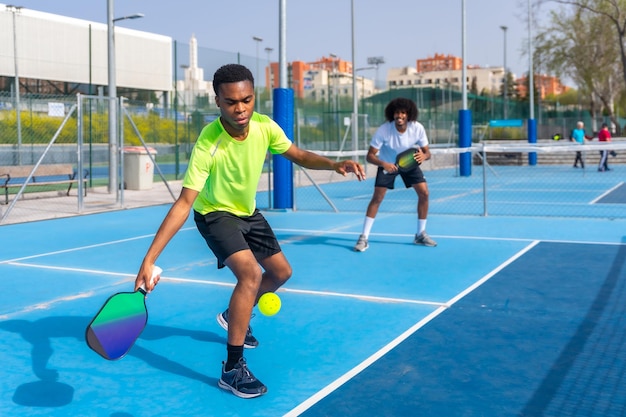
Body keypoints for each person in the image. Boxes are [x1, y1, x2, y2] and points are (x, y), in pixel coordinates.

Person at [133, 64, 365, 398]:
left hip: (248, 212)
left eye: (246, 99)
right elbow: (184, 203)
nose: (240, 108)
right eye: (231, 102)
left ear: (254, 96)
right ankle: (231, 369)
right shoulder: (209, 143)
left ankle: (234, 314)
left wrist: (333, 163)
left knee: (282, 272)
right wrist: (149, 259)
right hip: (215, 215)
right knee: (250, 275)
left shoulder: (263, 126)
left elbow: (296, 154)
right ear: (217, 101)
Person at [354, 97, 436, 252]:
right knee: (377, 198)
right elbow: (370, 156)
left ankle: (420, 234)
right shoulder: (384, 130)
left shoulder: (417, 128)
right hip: (388, 163)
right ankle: (363, 237)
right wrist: (383, 164)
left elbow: (427, 152)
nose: (400, 116)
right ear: (392, 114)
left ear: (408, 114)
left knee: (424, 193)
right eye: (397, 113)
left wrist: (424, 156)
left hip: (408, 163)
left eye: (403, 113)